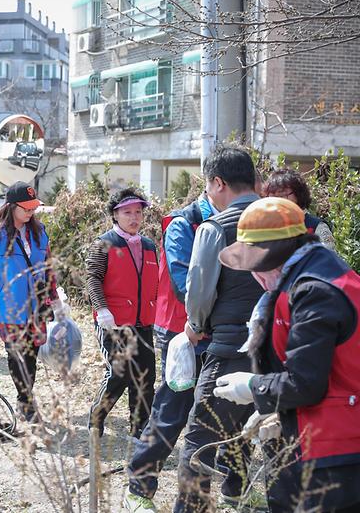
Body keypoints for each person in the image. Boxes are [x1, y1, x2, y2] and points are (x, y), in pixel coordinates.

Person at [213, 197, 360, 513]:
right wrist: (282, 416)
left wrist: (254, 387)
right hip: (333, 440)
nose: (258, 278)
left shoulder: (314, 291)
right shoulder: (322, 274)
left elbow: (306, 383)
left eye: (260, 266)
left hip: (338, 453)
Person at [174, 145, 265, 513]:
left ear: (218, 182)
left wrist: (195, 326)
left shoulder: (216, 227)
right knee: (250, 433)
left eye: (208, 186)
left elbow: (199, 289)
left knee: (198, 442)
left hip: (229, 350)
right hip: (279, 356)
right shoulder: (289, 221)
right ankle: (239, 497)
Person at [123, 192, 217, 512]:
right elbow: (183, 284)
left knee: (209, 416)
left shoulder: (230, 219)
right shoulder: (183, 224)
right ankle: (139, 484)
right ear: (218, 185)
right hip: (182, 332)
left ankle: (201, 497)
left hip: (216, 332)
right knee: (173, 410)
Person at [0, 182, 64, 422]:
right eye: (26, 209)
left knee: (31, 352)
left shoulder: (40, 233)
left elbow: (47, 269)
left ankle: (24, 399)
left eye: (33, 208)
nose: (30, 213)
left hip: (37, 305)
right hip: (7, 306)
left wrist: (55, 298)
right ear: (11, 207)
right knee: (17, 353)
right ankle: (27, 402)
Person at [86, 187, 158, 439]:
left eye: (138, 212)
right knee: (119, 373)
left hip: (143, 322)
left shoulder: (149, 245)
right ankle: (97, 416)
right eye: (127, 212)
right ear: (115, 215)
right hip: (113, 322)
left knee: (146, 376)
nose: (134, 217)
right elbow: (93, 278)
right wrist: (102, 309)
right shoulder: (103, 243)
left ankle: (139, 431)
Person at [263, 168, 335, 250]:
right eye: (273, 197)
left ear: (298, 194)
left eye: (282, 195)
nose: (278, 201)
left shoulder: (316, 226)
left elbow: (328, 259)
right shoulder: (265, 226)